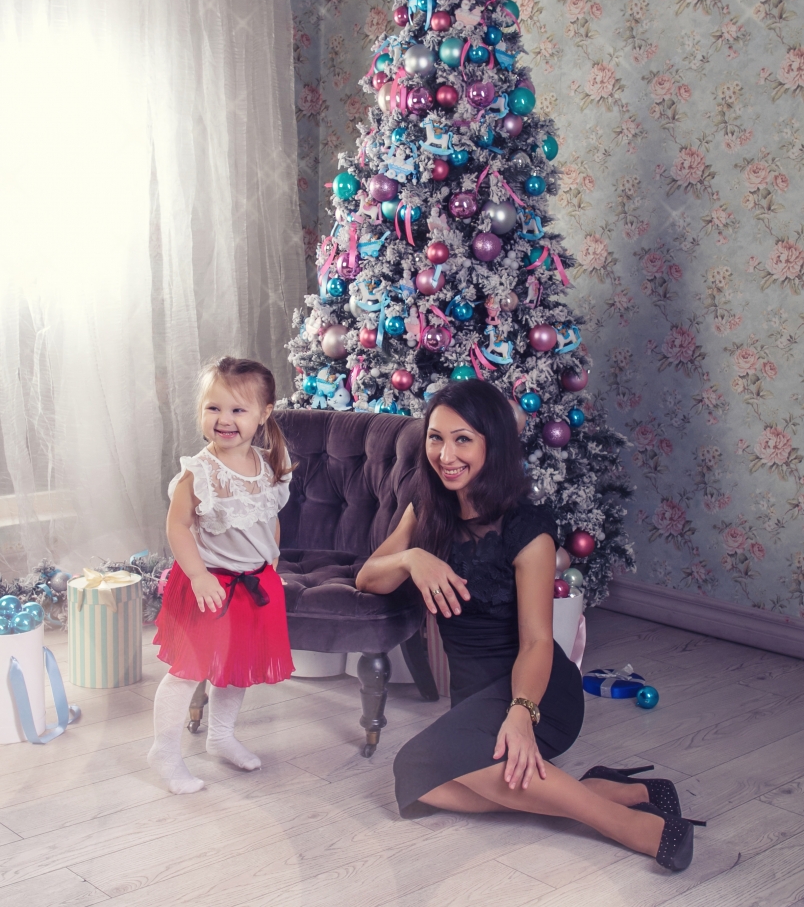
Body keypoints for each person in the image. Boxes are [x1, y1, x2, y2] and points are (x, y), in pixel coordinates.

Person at [355, 380, 702, 871]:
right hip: (474, 696)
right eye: (435, 438)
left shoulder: (527, 529)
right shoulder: (426, 506)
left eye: (462, 439)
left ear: (492, 445)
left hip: (539, 692)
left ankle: (632, 826)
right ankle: (612, 792)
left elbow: (539, 641)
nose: (445, 455)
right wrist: (413, 558)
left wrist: (522, 713)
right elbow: (369, 578)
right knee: (420, 784)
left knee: (414, 764)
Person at [148, 356, 294, 795]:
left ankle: (222, 735)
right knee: (187, 672)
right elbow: (177, 526)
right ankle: (164, 751)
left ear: (264, 413)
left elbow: (268, 518)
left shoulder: (269, 465)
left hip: (254, 584)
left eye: (237, 409)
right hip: (210, 585)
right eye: (214, 408)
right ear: (201, 410)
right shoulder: (200, 472)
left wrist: (272, 560)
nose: (224, 419)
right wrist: (197, 575)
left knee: (237, 667)